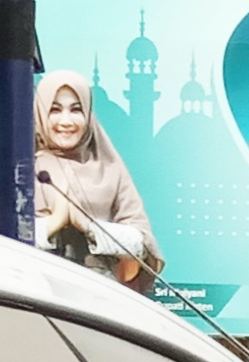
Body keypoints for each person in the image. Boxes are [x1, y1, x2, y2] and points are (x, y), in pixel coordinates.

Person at [27, 72, 159, 290]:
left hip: (99, 298)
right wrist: (52, 224)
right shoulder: (23, 170)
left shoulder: (110, 169)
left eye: (76, 110)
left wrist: (90, 227)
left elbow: (143, 243)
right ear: (40, 113)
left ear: (88, 114)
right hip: (37, 293)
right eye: (55, 110)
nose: (66, 121)